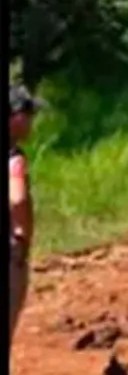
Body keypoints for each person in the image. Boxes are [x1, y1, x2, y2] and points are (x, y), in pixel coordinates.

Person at [9, 84, 43, 356]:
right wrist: (22, 239)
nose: (32, 121)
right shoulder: (14, 158)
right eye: (29, 114)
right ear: (15, 117)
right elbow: (18, 199)